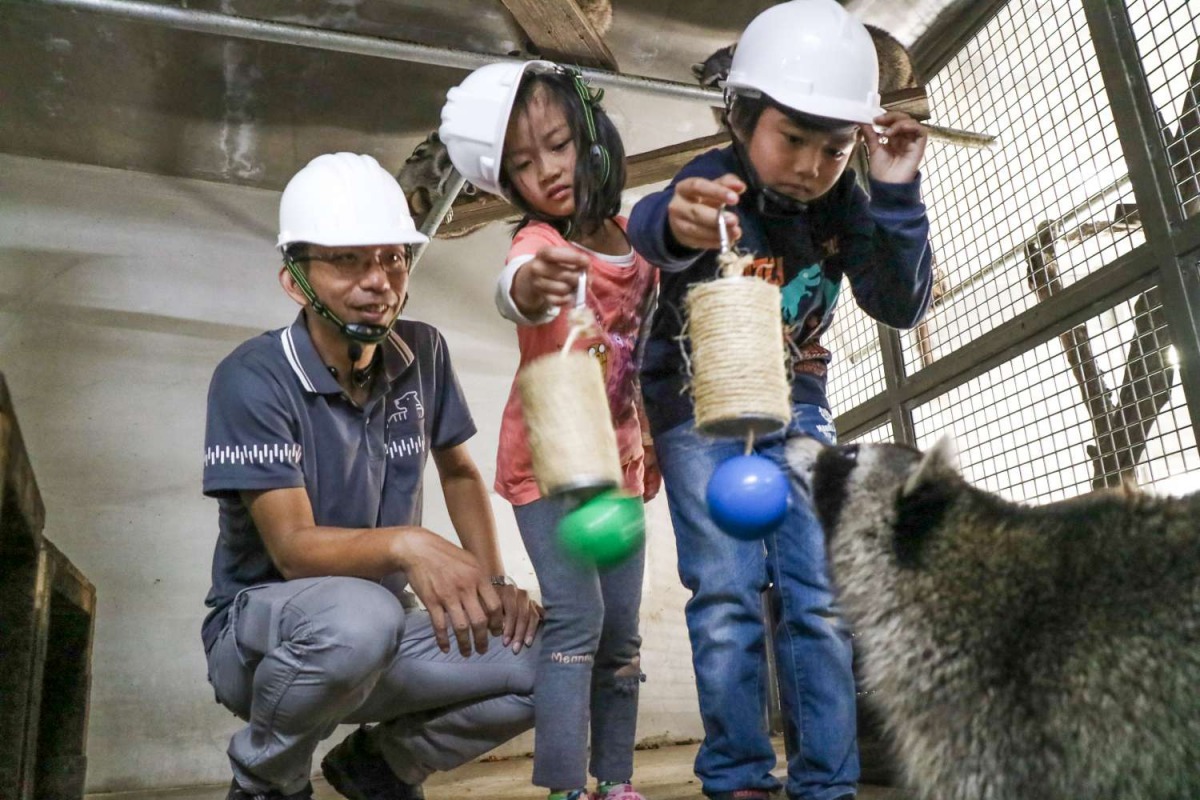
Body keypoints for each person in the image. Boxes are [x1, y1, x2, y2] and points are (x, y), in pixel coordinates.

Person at [625, 2, 935, 799]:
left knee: (820, 594)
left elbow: (898, 303)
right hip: (694, 403)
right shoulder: (712, 178)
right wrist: (681, 221)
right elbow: (656, 226)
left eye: (833, 149)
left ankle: (827, 782)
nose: (809, 163)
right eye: (790, 138)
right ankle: (736, 776)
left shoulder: (847, 205)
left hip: (796, 402)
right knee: (726, 590)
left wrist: (896, 192)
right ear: (742, 117)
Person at [201, 152, 543, 800]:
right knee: (360, 618)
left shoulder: (423, 352)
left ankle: (381, 768)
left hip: (382, 631)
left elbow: (462, 473)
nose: (378, 280)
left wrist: (494, 583)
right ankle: (265, 784)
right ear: (296, 282)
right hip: (263, 644)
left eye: (391, 258)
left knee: (562, 654)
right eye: (347, 260)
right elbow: (295, 550)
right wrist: (409, 544)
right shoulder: (253, 377)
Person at [441, 62, 659, 800]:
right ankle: (568, 786)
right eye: (522, 166)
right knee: (578, 620)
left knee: (623, 632)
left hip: (619, 469)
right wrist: (529, 288)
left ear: (591, 134)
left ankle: (617, 782)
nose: (547, 172)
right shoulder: (536, 241)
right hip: (546, 466)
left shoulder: (638, 241)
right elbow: (517, 284)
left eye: (558, 144)